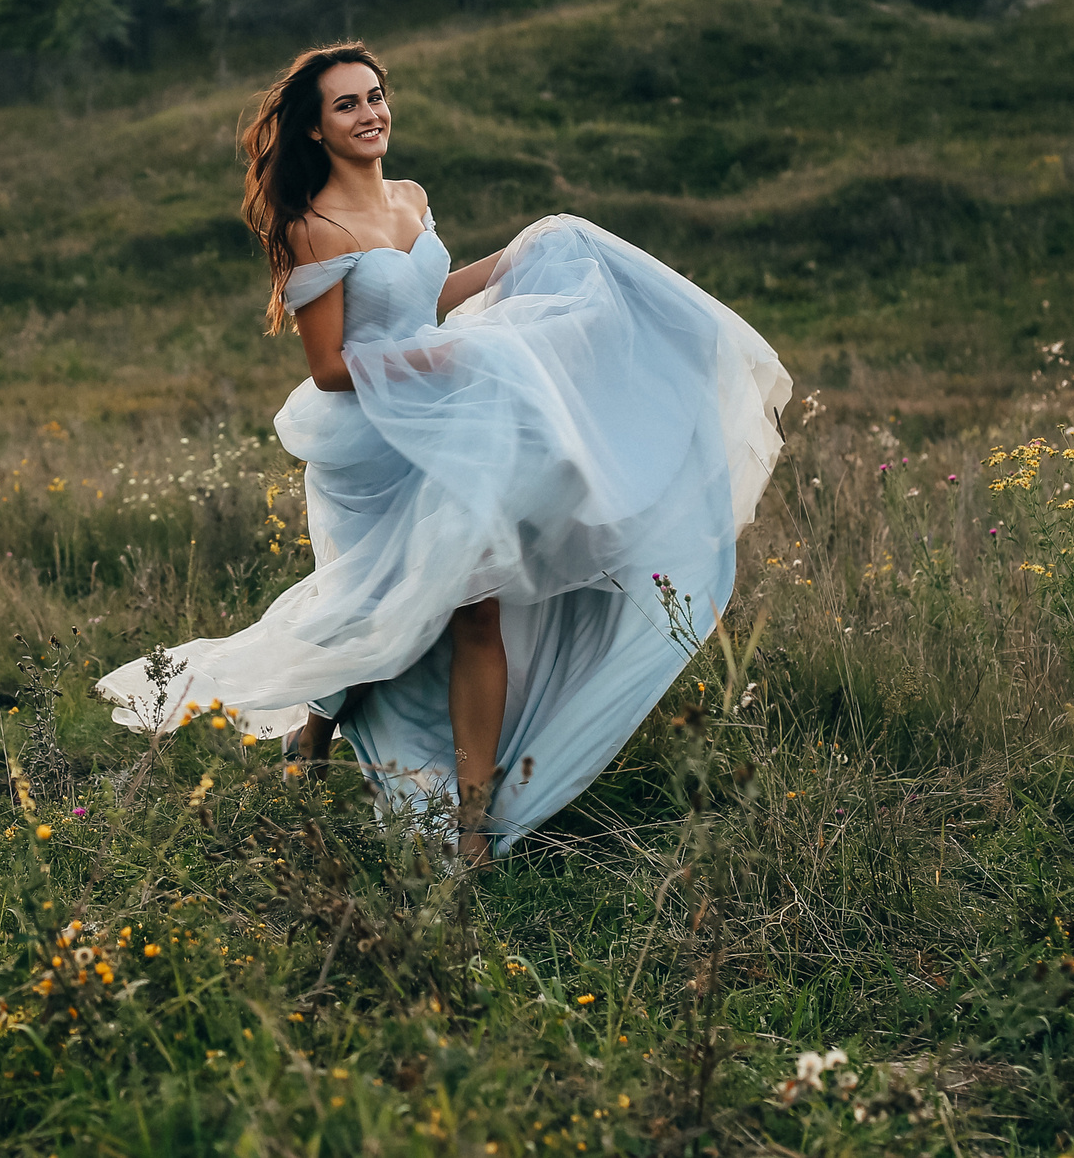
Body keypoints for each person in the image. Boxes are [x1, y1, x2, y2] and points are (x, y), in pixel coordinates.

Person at [96, 43, 790, 863]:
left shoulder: (412, 198)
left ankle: (471, 826)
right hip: (374, 441)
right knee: (378, 605)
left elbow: (428, 297)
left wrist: (523, 257)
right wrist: (439, 359)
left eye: (377, 96)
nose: (370, 114)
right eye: (347, 105)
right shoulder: (309, 226)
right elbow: (328, 366)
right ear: (316, 130)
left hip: (452, 423)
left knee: (476, 609)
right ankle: (313, 738)